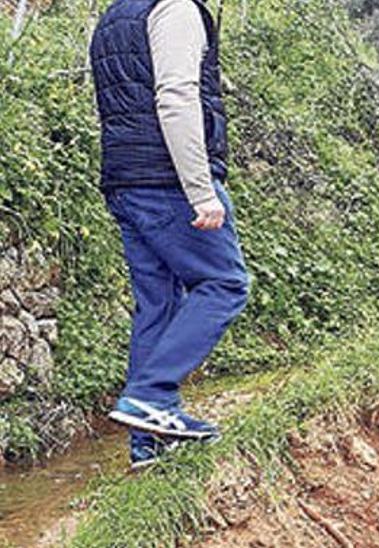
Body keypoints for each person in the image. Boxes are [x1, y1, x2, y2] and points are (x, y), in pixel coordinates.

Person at [88, 0, 249, 470]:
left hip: (125, 179)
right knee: (224, 283)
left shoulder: (115, 16)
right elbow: (176, 97)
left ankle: (148, 444)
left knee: (158, 303)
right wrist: (201, 191)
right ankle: (153, 394)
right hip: (167, 180)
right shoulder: (174, 9)